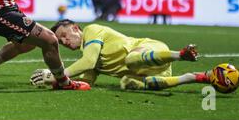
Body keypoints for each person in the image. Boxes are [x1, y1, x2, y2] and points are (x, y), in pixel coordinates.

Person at [30, 20, 211, 91]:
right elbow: (86, 83)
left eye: (64, 35)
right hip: (154, 71)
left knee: (130, 60)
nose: (64, 41)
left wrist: (56, 74)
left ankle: (180, 55)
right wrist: (56, 84)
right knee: (127, 82)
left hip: (150, 49)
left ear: (76, 28)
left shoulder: (92, 31)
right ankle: (191, 78)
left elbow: (88, 62)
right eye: (60, 42)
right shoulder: (88, 52)